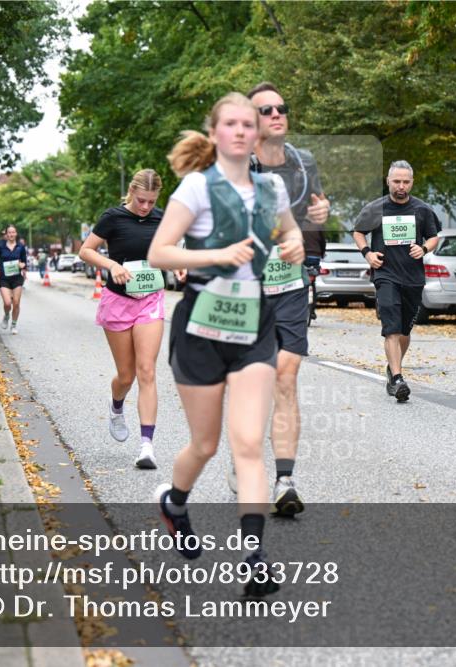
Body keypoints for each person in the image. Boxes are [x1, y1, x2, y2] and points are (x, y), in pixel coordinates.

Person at [147, 92, 305, 597]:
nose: (240, 131)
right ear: (214, 133)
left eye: (248, 124)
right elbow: (159, 252)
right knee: (206, 445)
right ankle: (175, 503)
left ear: (257, 135)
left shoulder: (272, 187)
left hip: (252, 328)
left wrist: (295, 243)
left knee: (247, 445)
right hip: (200, 329)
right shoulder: (195, 187)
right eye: (230, 124)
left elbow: (292, 235)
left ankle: (254, 558)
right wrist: (215, 255)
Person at [230, 82, 331, 516]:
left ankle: (284, 479)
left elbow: (312, 212)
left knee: (285, 376)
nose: (276, 114)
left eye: (281, 108)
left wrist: (317, 220)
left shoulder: (304, 162)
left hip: (288, 284)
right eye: (265, 109)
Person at [80, 169, 178, 470]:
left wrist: (180, 266)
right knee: (127, 376)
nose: (146, 207)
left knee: (146, 370)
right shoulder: (113, 217)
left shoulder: (164, 218)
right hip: (118, 301)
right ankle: (116, 406)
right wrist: (112, 265)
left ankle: (146, 446)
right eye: (140, 200)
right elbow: (85, 251)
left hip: (150, 299)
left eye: (151, 201)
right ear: (131, 192)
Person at [351, 160, 440, 402]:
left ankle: (393, 369)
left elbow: (434, 238)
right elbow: (358, 232)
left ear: (412, 182)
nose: (401, 186)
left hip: (412, 277)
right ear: (388, 181)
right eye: (397, 181)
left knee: (404, 330)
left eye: (406, 182)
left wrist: (423, 248)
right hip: (385, 274)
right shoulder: (376, 208)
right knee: (391, 324)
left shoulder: (422, 210)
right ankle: (398, 379)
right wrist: (368, 253)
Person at [0, 225, 27, 334]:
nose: (11, 234)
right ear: (6, 234)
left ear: (16, 234)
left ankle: (13, 325)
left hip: (17, 278)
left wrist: (22, 265)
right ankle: (6, 316)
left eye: (13, 232)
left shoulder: (21, 247)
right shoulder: (0, 246)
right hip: (4, 278)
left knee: (16, 303)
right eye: (9, 232)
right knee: (7, 303)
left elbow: (24, 262)